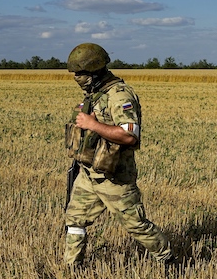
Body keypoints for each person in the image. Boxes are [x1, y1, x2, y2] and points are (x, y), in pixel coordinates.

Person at [63, 43, 172, 267]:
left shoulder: (120, 95)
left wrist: (92, 124)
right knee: (74, 220)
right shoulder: (94, 94)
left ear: (94, 71)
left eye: (81, 73)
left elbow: (129, 136)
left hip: (115, 176)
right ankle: (71, 268)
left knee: (136, 225)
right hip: (89, 172)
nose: (77, 77)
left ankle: (169, 260)